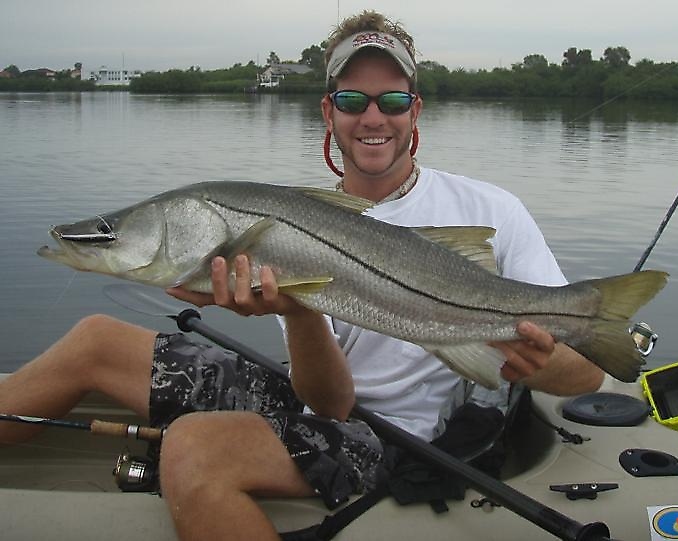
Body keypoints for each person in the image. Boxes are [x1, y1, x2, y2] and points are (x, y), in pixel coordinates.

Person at [0, 10, 604, 541]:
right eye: (351, 100)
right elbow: (327, 398)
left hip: (392, 437)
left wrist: (537, 355)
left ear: (414, 109)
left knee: (194, 450)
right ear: (328, 111)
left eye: (391, 100)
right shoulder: (299, 217)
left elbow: (587, 374)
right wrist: (298, 310)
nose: (373, 117)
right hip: (313, 397)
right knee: (94, 340)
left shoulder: (489, 213)